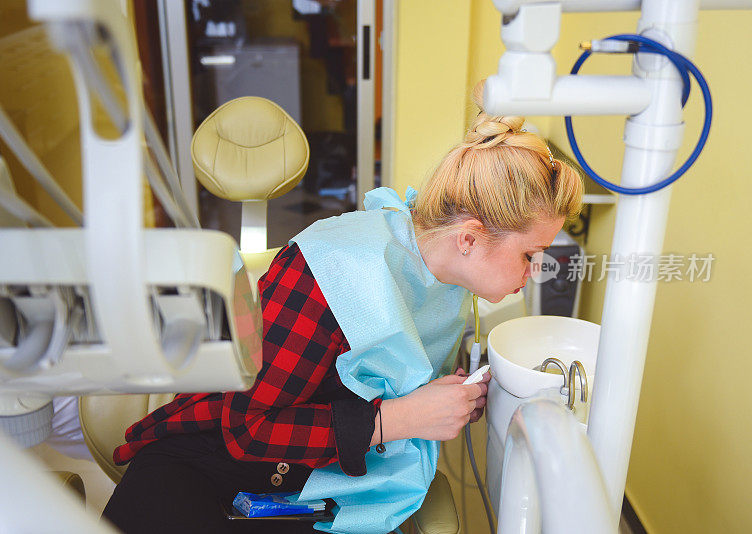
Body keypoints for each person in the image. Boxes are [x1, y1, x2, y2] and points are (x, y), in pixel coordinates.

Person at [101, 83, 583, 534]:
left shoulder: (447, 281)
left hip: (315, 483)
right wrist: (401, 419)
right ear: (470, 238)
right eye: (529, 255)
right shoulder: (332, 271)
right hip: (207, 469)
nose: (537, 270)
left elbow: (383, 376)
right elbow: (247, 429)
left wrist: (444, 398)